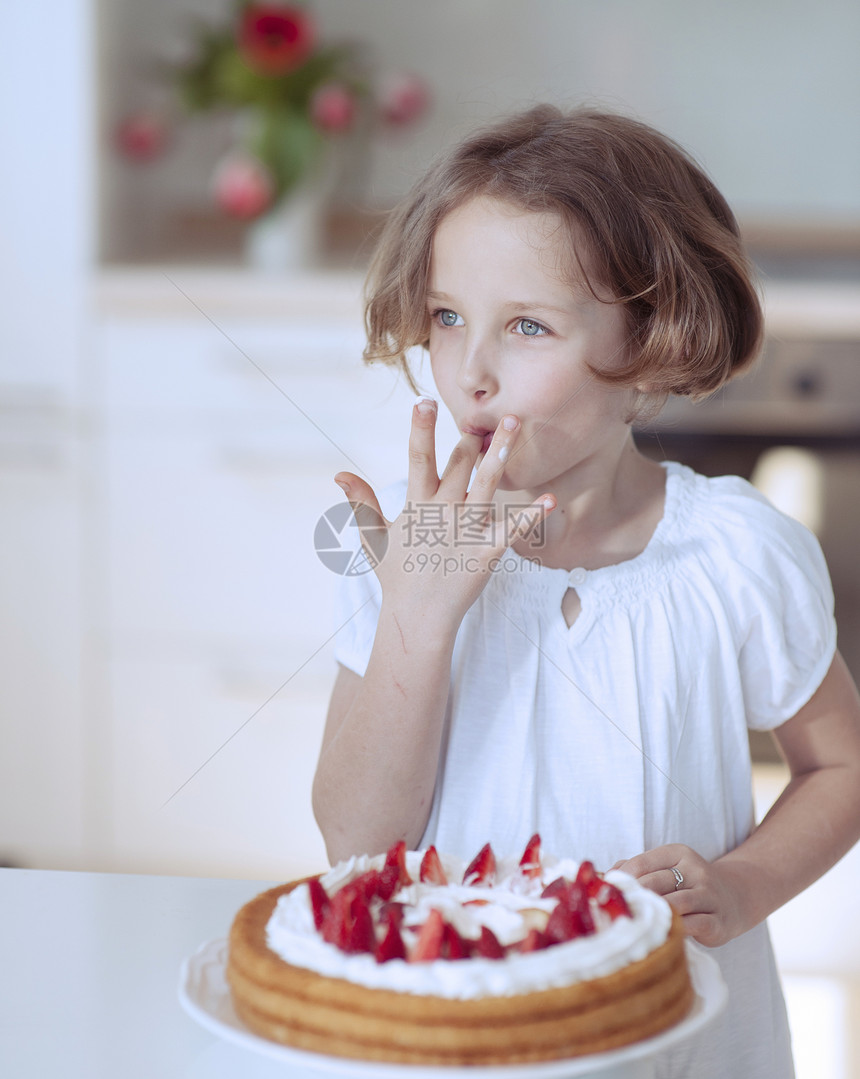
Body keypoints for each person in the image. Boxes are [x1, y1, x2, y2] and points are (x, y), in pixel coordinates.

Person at [311, 104, 860, 1078]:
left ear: (650, 352)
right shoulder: (405, 548)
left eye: (525, 324)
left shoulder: (733, 554)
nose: (468, 372)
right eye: (446, 317)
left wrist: (740, 885)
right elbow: (356, 838)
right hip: (456, 1033)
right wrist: (419, 616)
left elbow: (840, 767)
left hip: (681, 1035)